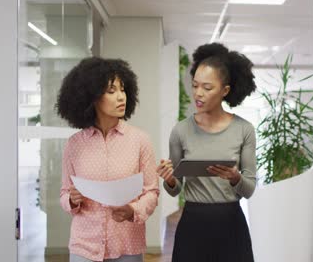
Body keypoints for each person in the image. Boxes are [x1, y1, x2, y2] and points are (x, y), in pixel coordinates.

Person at [157, 43, 257, 262]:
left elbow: (249, 190)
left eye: (207, 88)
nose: (198, 94)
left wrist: (235, 177)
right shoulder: (180, 130)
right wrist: (171, 181)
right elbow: (175, 189)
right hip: (193, 224)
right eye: (195, 86)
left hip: (231, 225)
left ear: (225, 91)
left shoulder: (244, 130)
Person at [56, 57, 159, 262]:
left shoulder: (140, 140)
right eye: (111, 91)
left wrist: (132, 210)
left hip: (127, 243)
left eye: (122, 90)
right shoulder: (74, 144)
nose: (121, 97)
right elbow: (64, 193)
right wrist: (72, 199)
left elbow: (152, 192)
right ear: (92, 97)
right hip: (84, 245)